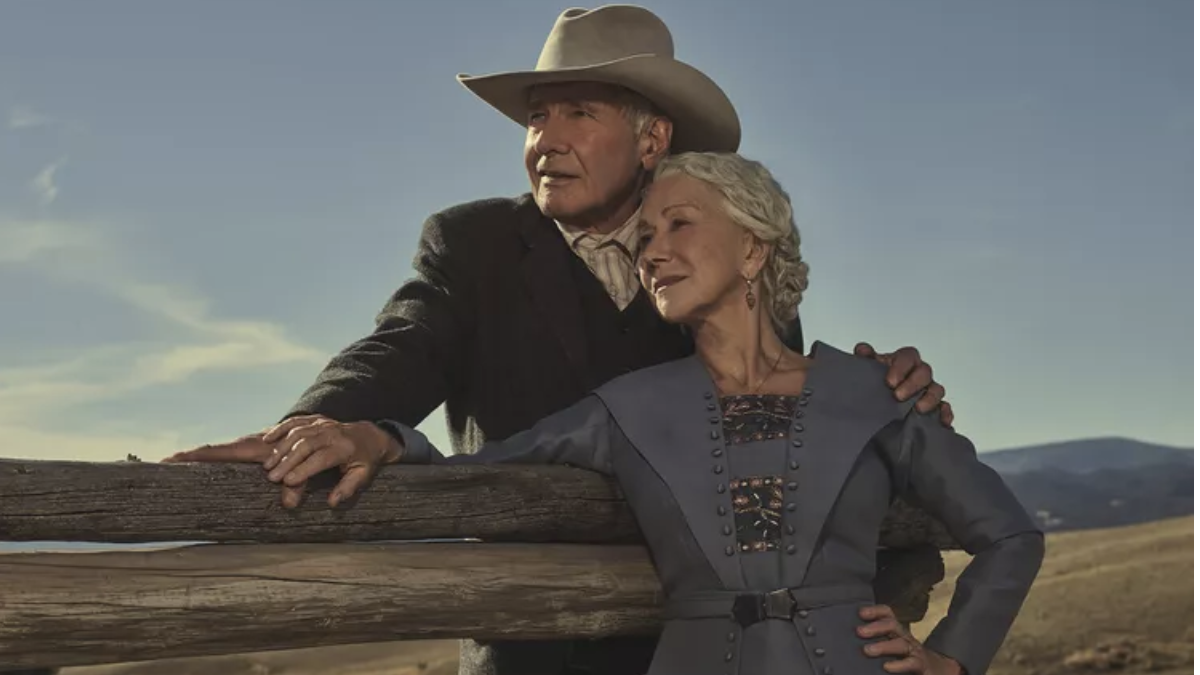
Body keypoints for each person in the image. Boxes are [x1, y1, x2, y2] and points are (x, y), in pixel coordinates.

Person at [166, 6, 961, 675]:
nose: (546, 137)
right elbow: (403, 344)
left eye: (579, 112)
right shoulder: (472, 243)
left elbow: (775, 419)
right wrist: (332, 419)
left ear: (653, 140)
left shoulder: (719, 254)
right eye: (537, 115)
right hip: (529, 641)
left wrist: (879, 401)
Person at [372, 151, 1045, 675]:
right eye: (644, 238)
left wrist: (952, 656)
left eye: (680, 223)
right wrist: (379, 438)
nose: (652, 251)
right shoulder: (625, 409)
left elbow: (1010, 535)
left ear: (753, 246)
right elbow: (477, 468)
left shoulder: (875, 392)